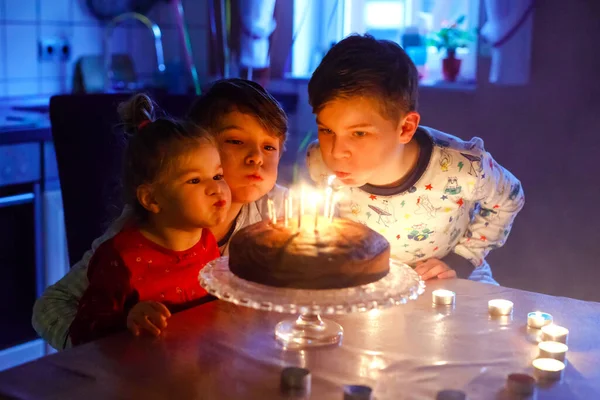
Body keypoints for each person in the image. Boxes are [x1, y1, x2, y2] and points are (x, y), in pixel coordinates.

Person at [33, 79, 289, 349]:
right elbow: (51, 306)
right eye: (236, 140)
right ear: (195, 145)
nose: (257, 157)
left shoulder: (280, 208)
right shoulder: (141, 230)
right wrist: (113, 343)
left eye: (269, 147)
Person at [306, 35, 525, 284]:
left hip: (447, 279)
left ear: (405, 128)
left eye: (358, 133)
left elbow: (509, 197)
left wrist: (463, 258)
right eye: (326, 130)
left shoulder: (463, 167)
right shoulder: (319, 164)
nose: (336, 152)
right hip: (370, 282)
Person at [69, 94, 229, 345]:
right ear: (152, 199)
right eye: (195, 180)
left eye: (218, 176)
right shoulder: (120, 259)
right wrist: (127, 320)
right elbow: (82, 332)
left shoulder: (206, 241)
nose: (216, 188)